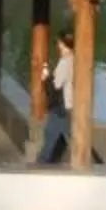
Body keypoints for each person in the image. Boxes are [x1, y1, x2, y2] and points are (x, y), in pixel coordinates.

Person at [35, 35, 74, 163]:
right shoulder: (75, 60)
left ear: (63, 44)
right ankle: (51, 163)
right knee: (62, 138)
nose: (58, 46)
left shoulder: (65, 62)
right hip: (70, 105)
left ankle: (40, 167)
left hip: (60, 107)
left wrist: (46, 77)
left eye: (59, 43)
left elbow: (56, 86)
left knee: (50, 136)